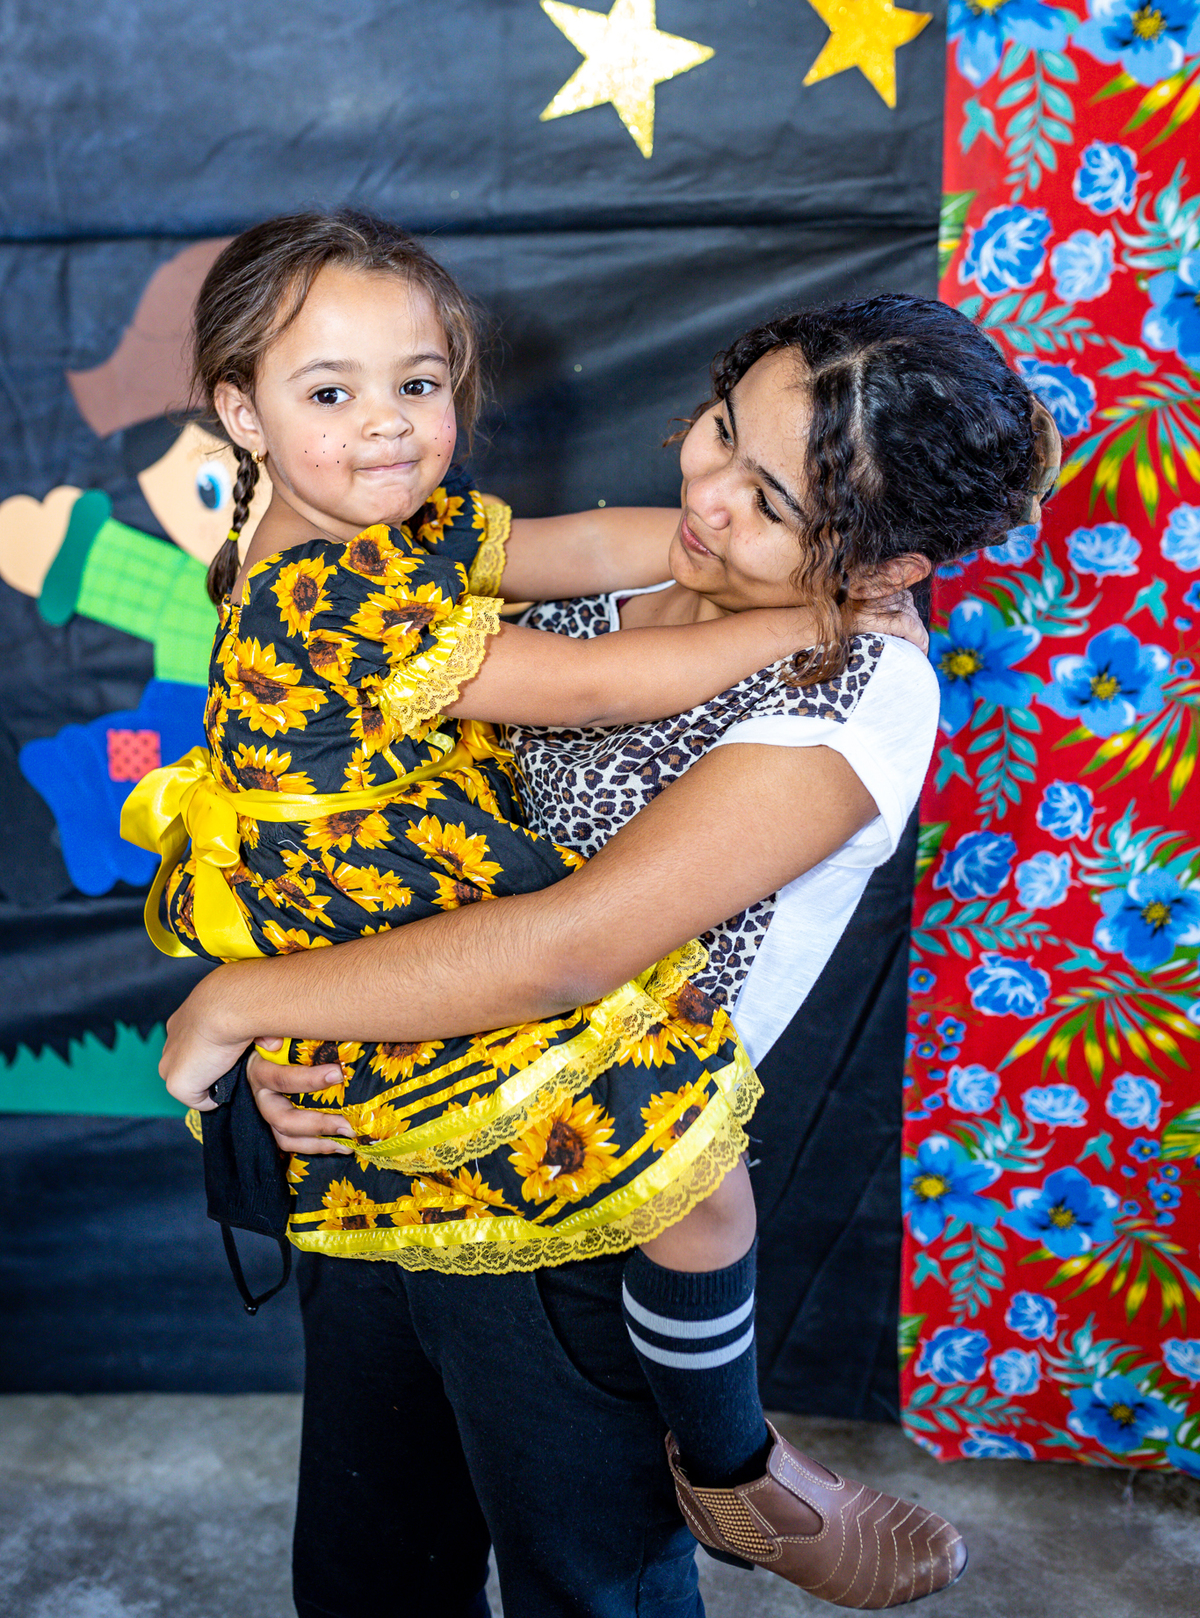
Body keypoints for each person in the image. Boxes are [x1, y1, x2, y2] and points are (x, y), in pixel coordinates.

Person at [160, 279, 1059, 1617]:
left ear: (884, 567)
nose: (708, 498)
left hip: (571, 1192)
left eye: (773, 503)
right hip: (371, 1133)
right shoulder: (649, 559)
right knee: (365, 1566)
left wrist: (236, 1002)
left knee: (586, 1585)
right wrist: (297, 1027)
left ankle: (735, 1469)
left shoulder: (860, 691)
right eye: (719, 431)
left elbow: (566, 951)